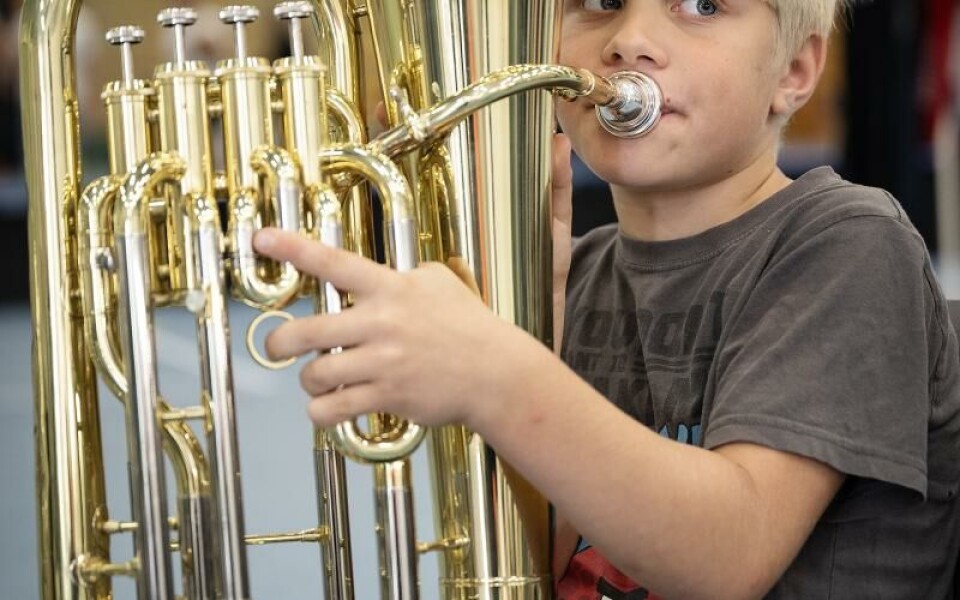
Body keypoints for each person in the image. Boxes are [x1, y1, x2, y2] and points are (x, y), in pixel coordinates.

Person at [253, 0, 960, 597]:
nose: (629, 41)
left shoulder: (848, 244)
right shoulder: (578, 271)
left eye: (703, 5)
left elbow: (730, 553)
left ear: (795, 71)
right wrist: (526, 321)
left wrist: (500, 371)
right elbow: (528, 562)